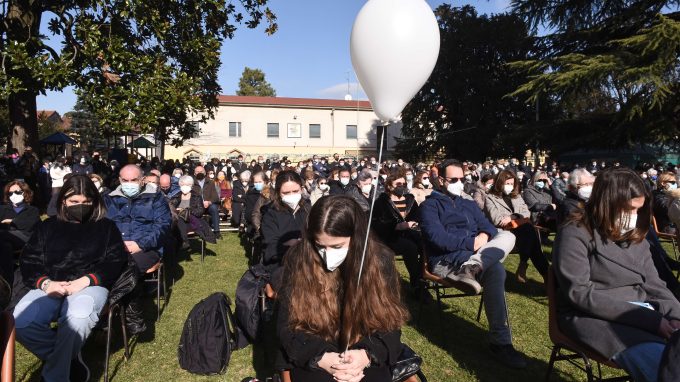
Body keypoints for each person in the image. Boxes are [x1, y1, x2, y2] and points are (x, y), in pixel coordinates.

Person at [553, 167, 680, 382]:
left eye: (638, 210)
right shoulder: (575, 231)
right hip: (595, 318)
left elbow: (655, 285)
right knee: (667, 369)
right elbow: (580, 293)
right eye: (629, 209)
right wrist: (651, 321)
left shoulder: (635, 235)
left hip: (646, 315)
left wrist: (676, 315)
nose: (633, 216)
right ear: (608, 202)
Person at [277, 195, 408, 381]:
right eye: (320, 246)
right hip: (313, 349)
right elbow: (287, 326)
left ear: (357, 238)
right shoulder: (299, 260)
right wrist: (322, 358)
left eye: (337, 246)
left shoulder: (380, 261)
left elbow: (390, 324)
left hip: (365, 348)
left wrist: (366, 355)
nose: (327, 255)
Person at [14, 175, 127, 382]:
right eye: (74, 201)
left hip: (90, 284)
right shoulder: (47, 226)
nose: (80, 206)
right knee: (21, 323)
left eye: (86, 202)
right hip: (50, 283)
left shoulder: (107, 227)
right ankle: (71, 360)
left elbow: (115, 260)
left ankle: (54, 377)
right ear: (63, 200)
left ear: (94, 201)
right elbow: (29, 260)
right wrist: (46, 283)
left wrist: (86, 281)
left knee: (79, 317)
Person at [419, 159, 525, 368]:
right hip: (447, 261)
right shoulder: (429, 206)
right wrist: (471, 242)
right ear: (441, 180)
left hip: (473, 257)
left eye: (463, 179)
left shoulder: (468, 204)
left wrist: (483, 236)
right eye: (454, 179)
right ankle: (500, 342)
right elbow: (436, 238)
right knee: (496, 268)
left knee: (507, 237)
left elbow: (489, 228)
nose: (460, 183)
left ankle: (472, 268)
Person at [104, 164, 172, 273]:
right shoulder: (109, 199)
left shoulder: (156, 198)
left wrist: (140, 245)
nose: (129, 184)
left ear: (142, 180)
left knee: (125, 268)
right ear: (120, 180)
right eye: (125, 180)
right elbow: (103, 226)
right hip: (115, 247)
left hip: (147, 248)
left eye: (134, 180)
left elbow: (163, 226)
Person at [485, 170, 549, 283]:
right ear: (500, 183)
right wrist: (517, 218)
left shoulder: (516, 196)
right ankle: (547, 276)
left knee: (528, 231)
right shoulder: (490, 198)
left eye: (511, 184)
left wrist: (512, 217)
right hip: (505, 232)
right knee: (532, 237)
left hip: (521, 230)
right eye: (507, 183)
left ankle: (527, 266)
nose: (510, 186)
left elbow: (526, 213)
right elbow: (497, 219)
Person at [372, 169, 421, 292]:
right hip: (390, 237)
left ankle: (424, 276)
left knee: (425, 244)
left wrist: (413, 223)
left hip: (411, 234)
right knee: (410, 247)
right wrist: (396, 226)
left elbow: (417, 216)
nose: (402, 187)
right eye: (398, 184)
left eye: (403, 184)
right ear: (389, 186)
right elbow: (377, 224)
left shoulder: (410, 200)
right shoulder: (382, 202)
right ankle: (417, 284)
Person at [261, 171, 310, 288]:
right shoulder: (270, 214)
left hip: (309, 262)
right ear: (278, 192)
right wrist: (289, 245)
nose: (292, 195)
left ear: (302, 189)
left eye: (295, 191)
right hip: (281, 265)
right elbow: (270, 248)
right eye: (286, 193)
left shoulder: (308, 209)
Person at [0, 181, 40, 286]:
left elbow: (27, 226)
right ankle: (7, 282)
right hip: (5, 240)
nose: (13, 195)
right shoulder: (3, 209)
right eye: (10, 193)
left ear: (25, 192)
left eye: (17, 192)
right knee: (5, 246)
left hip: (25, 239)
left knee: (3, 236)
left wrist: (11, 222)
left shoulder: (32, 210)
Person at [170, 175, 215, 249]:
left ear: (191, 186)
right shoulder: (176, 196)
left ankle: (184, 242)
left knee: (179, 220)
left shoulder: (196, 196)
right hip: (178, 220)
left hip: (192, 221)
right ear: (180, 185)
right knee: (178, 220)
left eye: (187, 185)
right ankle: (183, 242)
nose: (185, 186)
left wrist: (188, 210)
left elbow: (200, 211)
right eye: (183, 184)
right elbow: (171, 207)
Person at [192, 166, 221, 238]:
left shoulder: (210, 182)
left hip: (208, 205)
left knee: (214, 208)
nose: (199, 173)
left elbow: (216, 197)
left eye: (201, 171)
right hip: (196, 205)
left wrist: (209, 202)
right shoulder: (191, 183)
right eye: (197, 171)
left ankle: (217, 231)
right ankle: (197, 230)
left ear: (205, 173)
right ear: (194, 173)